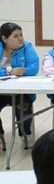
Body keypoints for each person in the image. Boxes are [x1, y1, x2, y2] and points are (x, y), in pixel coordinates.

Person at [0, 22, 39, 150]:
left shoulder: (27, 47)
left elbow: (34, 68)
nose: (20, 38)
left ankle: (25, 133)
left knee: (24, 108)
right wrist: (9, 72)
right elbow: (10, 71)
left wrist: (24, 71)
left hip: (20, 91)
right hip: (1, 91)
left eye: (21, 35)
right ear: (4, 38)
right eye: (15, 36)